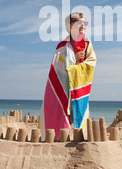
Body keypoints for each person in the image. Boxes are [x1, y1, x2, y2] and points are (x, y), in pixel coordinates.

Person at [39, 12, 97, 141]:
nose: (83, 25)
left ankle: (79, 138)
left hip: (78, 86)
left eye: (85, 23)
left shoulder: (87, 44)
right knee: (58, 111)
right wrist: (74, 60)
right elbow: (57, 68)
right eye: (79, 22)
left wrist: (77, 66)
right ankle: (57, 138)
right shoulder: (61, 46)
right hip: (62, 86)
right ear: (69, 26)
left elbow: (92, 63)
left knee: (80, 113)